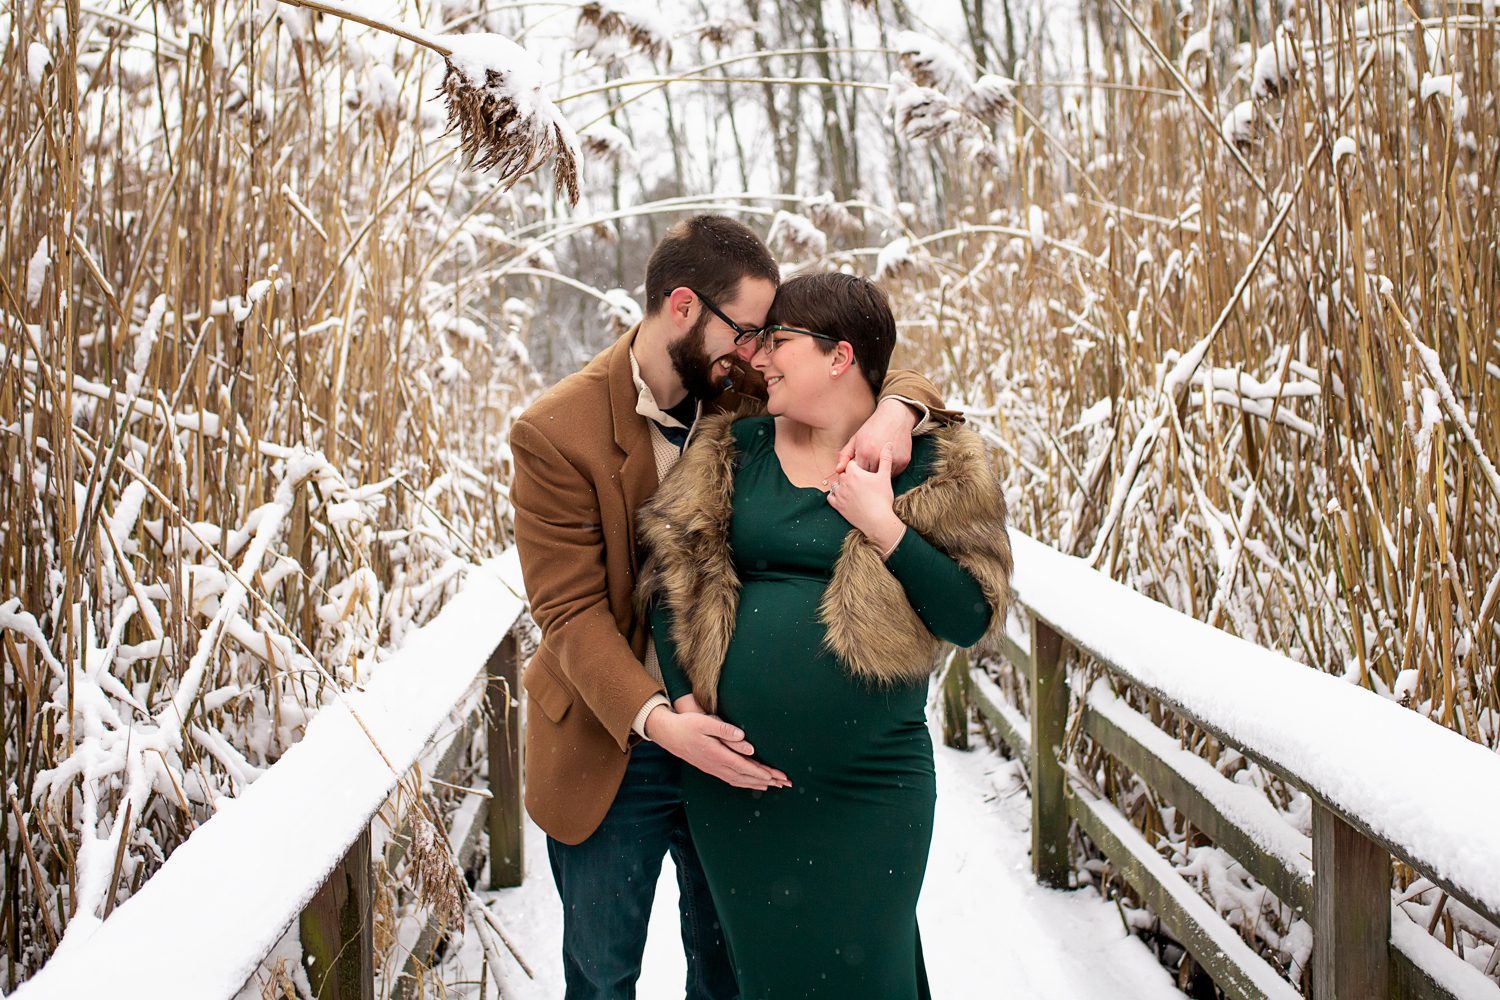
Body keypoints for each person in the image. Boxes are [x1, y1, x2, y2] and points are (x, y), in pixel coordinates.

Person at [509, 217, 959, 999]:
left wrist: (901, 410)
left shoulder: (746, 388)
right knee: (603, 972)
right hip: (616, 741)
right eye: (748, 330)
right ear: (683, 307)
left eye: (766, 336)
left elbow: (859, 368)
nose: (757, 351)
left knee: (730, 973)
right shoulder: (555, 431)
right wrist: (661, 717)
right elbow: (570, 611)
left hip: (745, 746)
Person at [637, 272, 1013, 1000]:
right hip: (739, 790)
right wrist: (685, 706)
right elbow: (671, 583)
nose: (762, 356)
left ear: (839, 357)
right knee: (769, 981)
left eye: (778, 341)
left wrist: (885, 526)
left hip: (870, 784)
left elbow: (970, 617)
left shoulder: (934, 465)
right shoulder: (733, 449)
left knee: (867, 972)